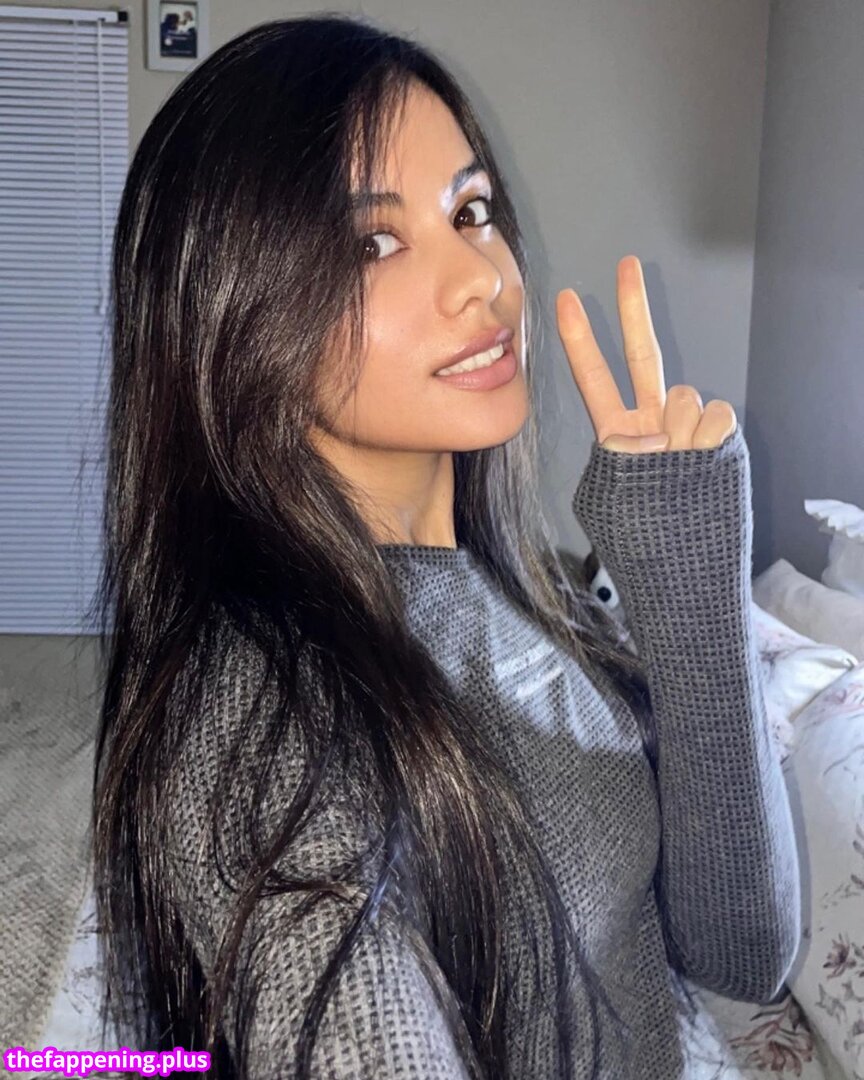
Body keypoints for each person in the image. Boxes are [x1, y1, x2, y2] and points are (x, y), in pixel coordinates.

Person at [91, 13, 801, 1079]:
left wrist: (689, 575)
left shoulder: (520, 588)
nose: (483, 278)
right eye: (372, 243)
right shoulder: (255, 700)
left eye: (470, 211)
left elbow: (741, 950)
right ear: (235, 317)